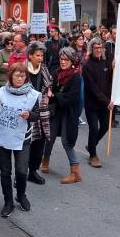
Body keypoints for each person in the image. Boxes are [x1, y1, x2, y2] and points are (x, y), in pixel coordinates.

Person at [0, 63, 39, 217]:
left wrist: (30, 116)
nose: (20, 78)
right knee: (5, 171)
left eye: (23, 76)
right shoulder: (1, 92)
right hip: (2, 136)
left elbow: (38, 114)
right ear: (10, 76)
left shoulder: (33, 94)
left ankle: (21, 195)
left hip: (22, 138)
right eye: (17, 75)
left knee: (22, 170)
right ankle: (8, 201)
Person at [42, 47, 83, 184]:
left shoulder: (75, 77)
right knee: (50, 137)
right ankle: (45, 160)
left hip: (68, 113)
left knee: (67, 141)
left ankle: (75, 172)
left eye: (66, 59)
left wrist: (54, 95)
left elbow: (70, 100)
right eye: (61, 59)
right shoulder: (57, 73)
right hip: (56, 111)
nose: (63, 61)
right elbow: (53, 93)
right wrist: (50, 94)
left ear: (72, 61)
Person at [82, 38, 113, 168]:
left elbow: (111, 80)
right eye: (96, 48)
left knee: (105, 127)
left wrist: (113, 68)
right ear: (91, 49)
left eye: (101, 48)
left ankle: (91, 145)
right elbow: (92, 88)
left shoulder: (106, 62)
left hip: (104, 104)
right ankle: (93, 155)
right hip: (92, 104)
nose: (99, 50)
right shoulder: (87, 66)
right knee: (94, 128)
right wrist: (107, 101)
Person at [25, 42, 52, 185]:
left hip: (41, 110)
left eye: (42, 55)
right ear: (30, 55)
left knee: (39, 141)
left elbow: (49, 84)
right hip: (26, 110)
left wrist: (48, 92)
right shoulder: (23, 69)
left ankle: (33, 171)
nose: (40, 58)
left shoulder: (44, 69)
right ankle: (21, 173)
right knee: (25, 142)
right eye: (37, 55)